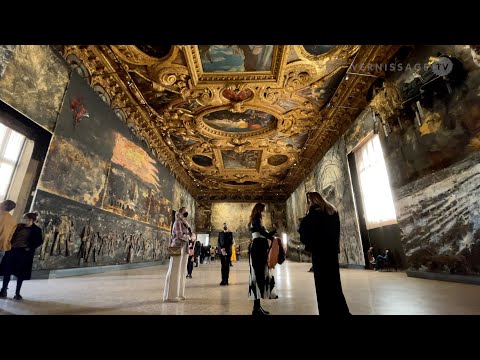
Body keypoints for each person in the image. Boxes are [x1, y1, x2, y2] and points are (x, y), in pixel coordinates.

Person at [298, 192, 351, 317]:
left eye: (308, 202)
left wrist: (305, 217)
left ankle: (326, 312)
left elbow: (304, 231)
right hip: (331, 253)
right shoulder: (332, 211)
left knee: (322, 285)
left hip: (320, 253)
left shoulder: (314, 212)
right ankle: (341, 311)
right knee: (334, 284)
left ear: (311, 201)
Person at [0, 212, 43, 300]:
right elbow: (11, 235)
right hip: (12, 251)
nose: (25, 220)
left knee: (20, 274)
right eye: (24, 218)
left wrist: (29, 247)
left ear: (32, 220)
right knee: (7, 272)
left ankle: (17, 293)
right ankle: (3, 290)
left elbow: (38, 241)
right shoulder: (19, 226)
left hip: (23, 254)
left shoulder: (37, 230)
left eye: (27, 219)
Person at [248, 203, 277, 315]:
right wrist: (273, 235)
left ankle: (257, 307)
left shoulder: (256, 220)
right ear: (259, 210)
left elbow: (263, 233)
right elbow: (262, 233)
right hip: (258, 251)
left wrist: (273, 233)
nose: (264, 212)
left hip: (259, 250)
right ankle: (256, 309)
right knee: (257, 277)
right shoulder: (256, 220)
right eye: (264, 210)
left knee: (258, 277)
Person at [163, 207, 190, 302]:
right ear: (181, 212)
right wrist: (189, 237)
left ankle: (179, 293)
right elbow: (179, 235)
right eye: (185, 211)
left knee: (182, 271)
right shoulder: (177, 222)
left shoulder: (185, 223)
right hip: (177, 247)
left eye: (188, 211)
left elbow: (188, 234)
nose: (187, 213)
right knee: (174, 270)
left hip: (185, 248)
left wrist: (192, 236)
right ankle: (171, 295)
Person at [0, 200, 17, 265]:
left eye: (2, 203)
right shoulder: (13, 221)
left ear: (5, 206)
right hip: (3, 246)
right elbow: (10, 236)